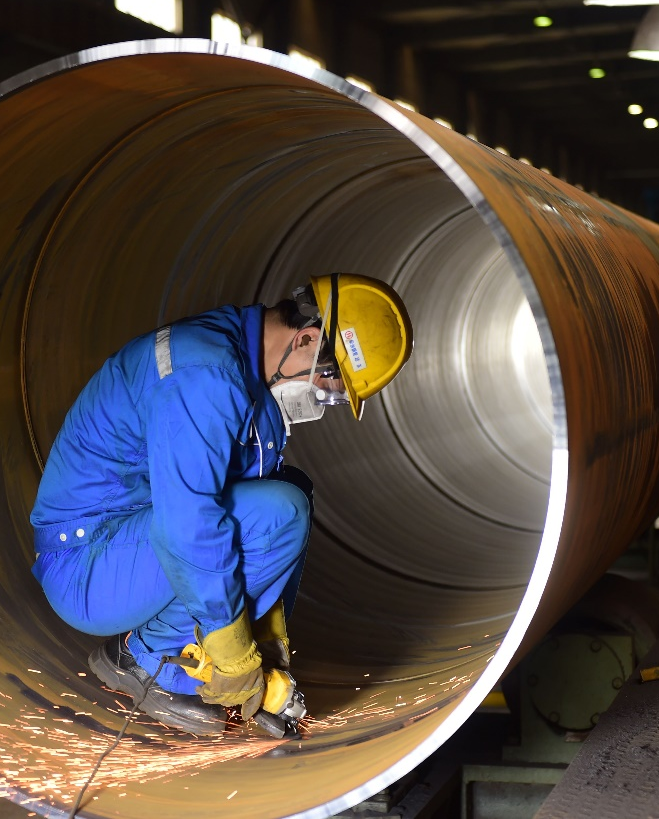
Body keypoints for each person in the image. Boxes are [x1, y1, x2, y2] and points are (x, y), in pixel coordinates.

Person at [29, 274, 413, 733]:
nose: (321, 399)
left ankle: (205, 653)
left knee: (290, 490)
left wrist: (263, 647)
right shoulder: (206, 377)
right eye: (330, 384)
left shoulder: (247, 376)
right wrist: (233, 654)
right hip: (87, 564)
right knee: (279, 511)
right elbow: (189, 526)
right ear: (307, 338)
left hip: (129, 541)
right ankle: (151, 660)